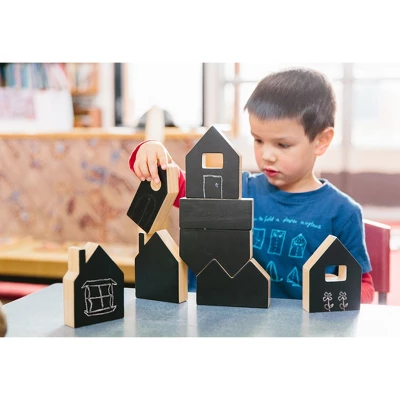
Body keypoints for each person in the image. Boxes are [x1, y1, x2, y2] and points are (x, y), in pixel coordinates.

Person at [128, 67, 375, 303]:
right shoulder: (238, 188)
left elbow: (363, 286)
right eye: (258, 140)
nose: (266, 155)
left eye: (282, 145)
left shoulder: (343, 213)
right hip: (226, 316)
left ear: (321, 141)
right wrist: (151, 153)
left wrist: (334, 300)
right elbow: (177, 187)